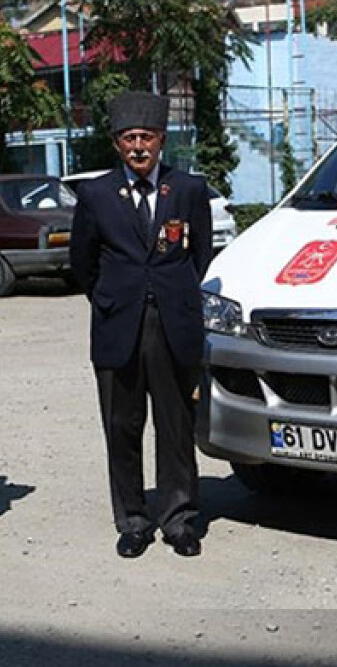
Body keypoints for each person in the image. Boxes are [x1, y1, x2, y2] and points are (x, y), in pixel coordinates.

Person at [70, 91, 212, 559]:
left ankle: (179, 520)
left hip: (173, 325)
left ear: (161, 140)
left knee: (175, 428)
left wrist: (170, 294)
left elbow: (200, 255)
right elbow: (83, 262)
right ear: (116, 144)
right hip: (119, 325)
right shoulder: (95, 195)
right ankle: (132, 521)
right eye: (129, 138)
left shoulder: (188, 190)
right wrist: (115, 298)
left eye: (146, 138)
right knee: (123, 426)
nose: (138, 147)